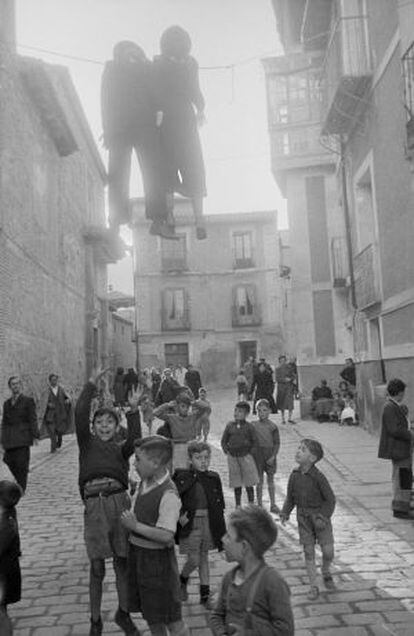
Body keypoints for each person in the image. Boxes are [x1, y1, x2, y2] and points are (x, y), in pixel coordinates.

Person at [75, 367, 141, 636]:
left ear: (116, 428)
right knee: (97, 566)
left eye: (109, 423)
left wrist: (134, 410)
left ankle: (123, 613)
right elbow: (79, 413)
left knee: (122, 562)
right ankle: (95, 619)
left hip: (119, 504)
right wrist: (90, 384)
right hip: (95, 506)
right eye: (99, 423)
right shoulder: (86, 444)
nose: (104, 426)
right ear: (92, 428)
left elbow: (135, 440)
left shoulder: (120, 449)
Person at [101, 40, 175, 238]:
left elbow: (157, 91)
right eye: (127, 53)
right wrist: (107, 130)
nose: (132, 56)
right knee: (117, 175)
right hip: (119, 128)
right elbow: (106, 98)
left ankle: (158, 220)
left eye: (135, 53)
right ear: (120, 54)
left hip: (145, 126)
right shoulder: (112, 68)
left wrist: (159, 111)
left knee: (153, 172)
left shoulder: (147, 67)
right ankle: (115, 222)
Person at [121, 436, 190, 636]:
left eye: (138, 460)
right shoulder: (145, 481)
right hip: (140, 559)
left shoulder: (168, 494)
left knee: (172, 619)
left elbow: (167, 536)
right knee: (152, 616)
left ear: (155, 463)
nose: (134, 464)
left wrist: (135, 526)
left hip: (158, 565)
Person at [153, 26, 207, 240]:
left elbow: (157, 90)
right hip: (181, 117)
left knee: (172, 167)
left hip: (170, 118)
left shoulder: (161, 64)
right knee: (191, 165)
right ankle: (197, 219)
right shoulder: (188, 64)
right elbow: (196, 90)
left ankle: (173, 217)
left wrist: (158, 111)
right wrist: (201, 107)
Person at [210, 505, 294, 635]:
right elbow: (217, 615)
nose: (223, 539)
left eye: (228, 536)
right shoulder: (229, 578)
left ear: (244, 546)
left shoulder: (272, 582)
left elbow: (285, 630)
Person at [280, 439, 336, 601]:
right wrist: (285, 512)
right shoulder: (294, 476)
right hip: (303, 519)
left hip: (320, 518)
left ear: (312, 458)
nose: (298, 451)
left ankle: (325, 570)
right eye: (299, 448)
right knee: (309, 552)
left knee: (328, 551)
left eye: (303, 449)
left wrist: (323, 516)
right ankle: (314, 586)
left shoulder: (319, 477)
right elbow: (290, 497)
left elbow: (330, 499)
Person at [173, 440, 226, 608]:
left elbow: (220, 503)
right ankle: (183, 577)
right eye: (198, 458)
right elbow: (173, 499)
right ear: (190, 459)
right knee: (194, 560)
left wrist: (219, 526)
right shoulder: (182, 477)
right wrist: (179, 515)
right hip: (191, 524)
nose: (203, 461)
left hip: (208, 522)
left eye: (206, 457)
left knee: (204, 558)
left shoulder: (213, 477)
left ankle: (204, 595)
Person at [378, 378, 414, 519]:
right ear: (399, 392)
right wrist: (410, 434)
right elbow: (394, 429)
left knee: (405, 476)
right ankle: (399, 508)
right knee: (400, 477)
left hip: (403, 448)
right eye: (403, 392)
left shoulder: (395, 406)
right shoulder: (389, 407)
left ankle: (404, 504)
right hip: (398, 448)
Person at [1, 377, 39, 492]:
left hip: (23, 437)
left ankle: (21, 488)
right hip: (11, 438)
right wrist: (2, 439)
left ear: (20, 385)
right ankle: (19, 481)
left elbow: (33, 418)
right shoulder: (7, 404)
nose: (15, 386)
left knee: (22, 463)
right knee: (8, 459)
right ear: (10, 387)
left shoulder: (28, 401)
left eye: (17, 384)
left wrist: (35, 435)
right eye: (13, 384)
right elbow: (5, 423)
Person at [221, 401, 259, 507]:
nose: (237, 413)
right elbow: (224, 440)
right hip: (233, 457)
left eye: (240, 411)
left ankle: (251, 504)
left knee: (249, 482)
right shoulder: (230, 426)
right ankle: (238, 505)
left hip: (246, 457)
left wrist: (250, 453)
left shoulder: (249, 427)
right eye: (236, 410)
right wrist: (226, 450)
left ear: (246, 414)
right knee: (236, 481)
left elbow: (255, 441)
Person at [0, 480, 23, 636]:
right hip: (8, 572)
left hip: (3, 574)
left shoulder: (6, 524)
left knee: (1, 612)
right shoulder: (9, 516)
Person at [153, 393, 197, 469]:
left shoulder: (192, 416)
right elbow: (156, 413)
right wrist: (167, 405)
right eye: (183, 406)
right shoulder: (172, 418)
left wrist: (194, 402)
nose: (185, 409)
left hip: (193, 446)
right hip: (179, 447)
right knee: (181, 472)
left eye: (187, 407)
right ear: (177, 407)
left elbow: (206, 408)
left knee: (195, 471)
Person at [251, 399, 280, 513]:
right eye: (259, 410)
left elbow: (277, 443)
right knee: (259, 481)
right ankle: (259, 504)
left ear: (269, 411)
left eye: (264, 410)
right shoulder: (253, 425)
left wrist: (273, 456)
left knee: (271, 480)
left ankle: (273, 504)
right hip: (258, 456)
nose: (261, 413)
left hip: (269, 455)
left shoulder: (273, 427)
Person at [42, 373, 71, 453]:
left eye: (55, 380)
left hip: (60, 413)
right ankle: (53, 447)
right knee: (52, 431)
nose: (54, 382)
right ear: (50, 381)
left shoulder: (61, 389)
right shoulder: (47, 391)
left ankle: (59, 438)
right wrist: (48, 404)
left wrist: (67, 400)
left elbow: (67, 397)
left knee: (59, 431)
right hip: (50, 415)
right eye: (52, 380)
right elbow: (43, 402)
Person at [275, 355, 295, 424]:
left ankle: (290, 418)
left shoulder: (289, 368)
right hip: (281, 388)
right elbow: (277, 379)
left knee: (290, 403)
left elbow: (293, 376)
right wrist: (284, 380)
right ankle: (283, 419)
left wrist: (290, 379)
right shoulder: (278, 369)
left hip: (289, 387)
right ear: (279, 361)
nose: (283, 362)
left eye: (284, 360)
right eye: (281, 361)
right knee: (282, 404)